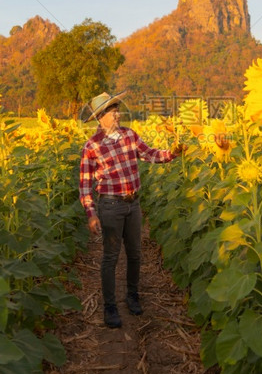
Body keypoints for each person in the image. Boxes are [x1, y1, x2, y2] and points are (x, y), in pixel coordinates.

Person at [79, 91, 185, 328]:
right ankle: (110, 306)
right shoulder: (91, 146)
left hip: (133, 204)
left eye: (116, 108)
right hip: (110, 206)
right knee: (110, 257)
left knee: (135, 254)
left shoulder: (129, 135)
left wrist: (173, 154)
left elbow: (150, 154)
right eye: (111, 110)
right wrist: (91, 214)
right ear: (100, 117)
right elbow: (85, 185)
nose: (117, 113)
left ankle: (132, 296)